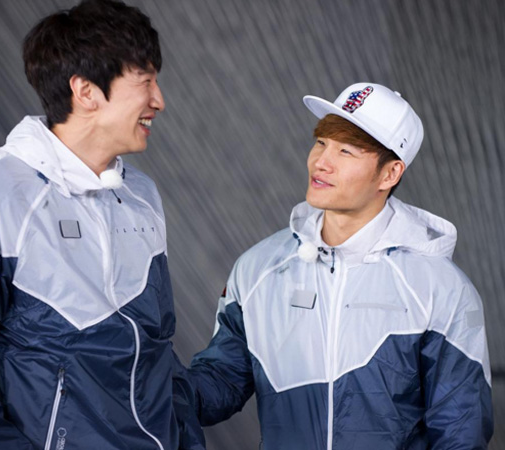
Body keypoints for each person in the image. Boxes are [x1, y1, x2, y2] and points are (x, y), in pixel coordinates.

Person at [0, 1, 205, 449]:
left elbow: (157, 352)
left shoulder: (141, 195)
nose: (159, 100)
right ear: (86, 91)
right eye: (145, 81)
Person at [189, 82, 493, 449]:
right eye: (321, 142)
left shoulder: (440, 288)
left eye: (346, 150)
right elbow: (221, 381)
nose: (321, 162)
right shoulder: (258, 269)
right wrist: (150, 380)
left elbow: (461, 432)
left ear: (390, 173)